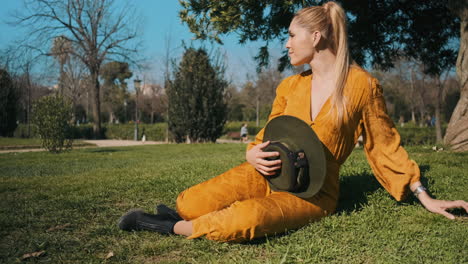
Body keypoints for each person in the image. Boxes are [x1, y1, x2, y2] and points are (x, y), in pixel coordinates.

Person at [118, 1, 468, 242]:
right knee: (190, 202)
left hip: (312, 192)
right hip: (267, 171)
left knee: (247, 220)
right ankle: (182, 216)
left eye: (290, 35)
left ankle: (163, 226)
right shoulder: (289, 85)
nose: (286, 44)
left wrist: (424, 195)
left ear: (316, 38)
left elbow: (385, 145)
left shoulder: (362, 86)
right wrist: (252, 153)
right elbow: (266, 133)